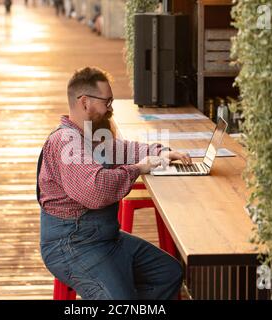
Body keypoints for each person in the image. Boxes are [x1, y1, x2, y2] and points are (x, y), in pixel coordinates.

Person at [37, 67, 192, 300]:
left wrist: (162, 152)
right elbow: (96, 190)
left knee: (168, 273)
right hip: (71, 245)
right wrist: (139, 169)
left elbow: (127, 149)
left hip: (105, 238)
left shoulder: (91, 137)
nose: (110, 108)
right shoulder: (65, 141)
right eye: (107, 102)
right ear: (85, 102)